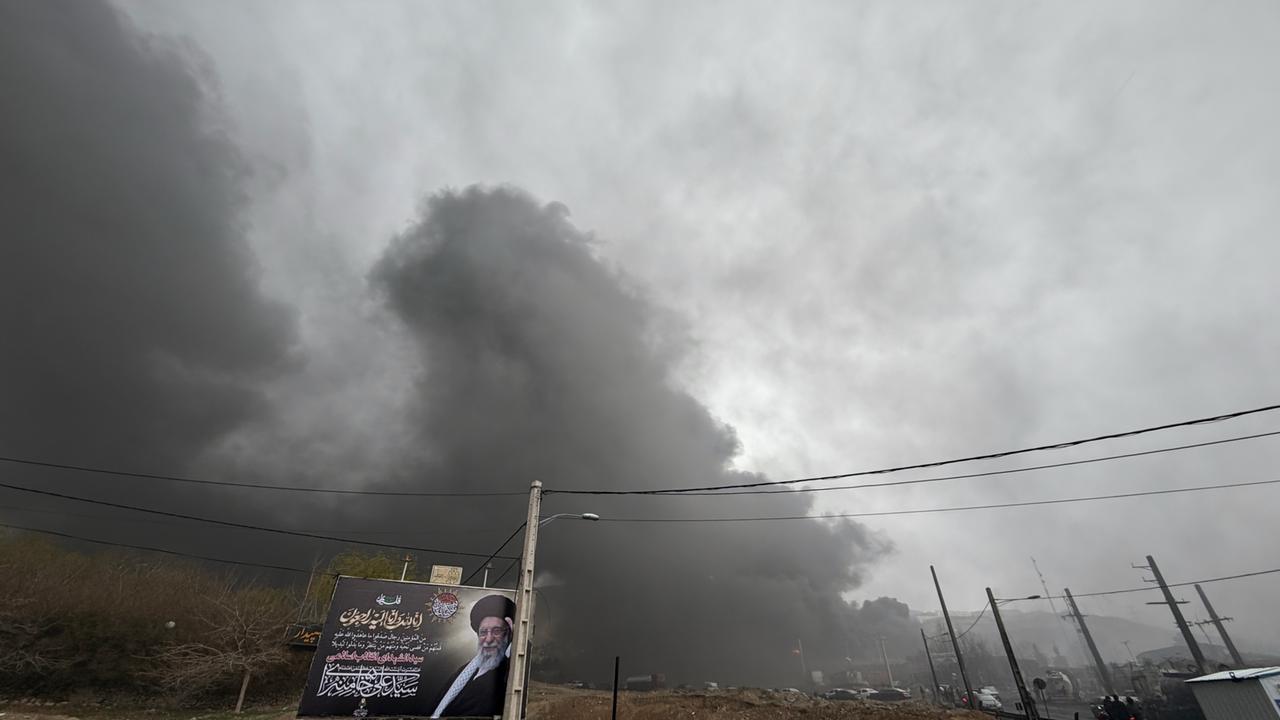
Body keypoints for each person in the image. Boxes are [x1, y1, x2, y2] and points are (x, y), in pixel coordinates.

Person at [430, 595, 516, 718]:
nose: (489, 639)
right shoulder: (462, 672)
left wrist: (515, 641)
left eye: (497, 631)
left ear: (509, 634)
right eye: (483, 632)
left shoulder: (508, 672)